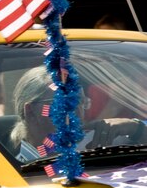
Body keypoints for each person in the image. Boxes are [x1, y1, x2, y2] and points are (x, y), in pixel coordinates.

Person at [10, 65, 144, 162]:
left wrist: (137, 128)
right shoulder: (11, 174)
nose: (78, 113)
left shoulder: (104, 145)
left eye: (81, 102)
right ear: (31, 113)